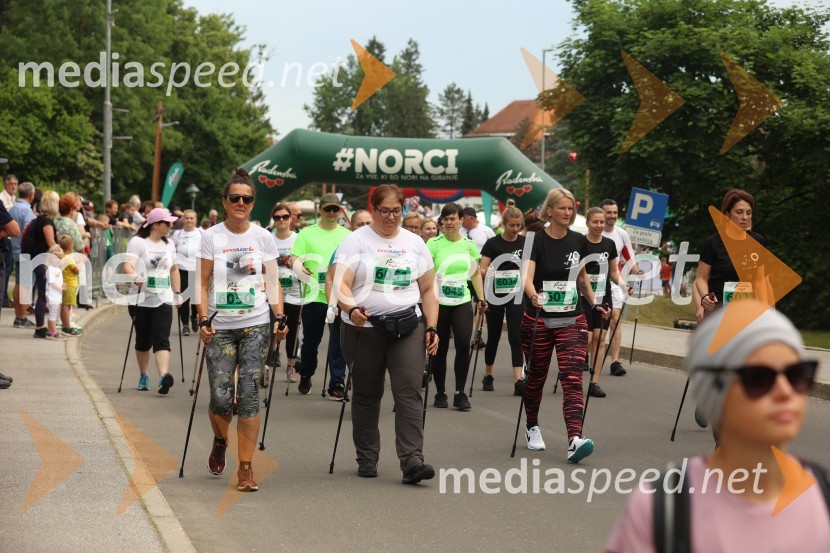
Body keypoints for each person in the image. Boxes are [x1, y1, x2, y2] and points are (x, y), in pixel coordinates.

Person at [605, 301, 829, 552]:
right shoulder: (661, 510)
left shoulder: (823, 496)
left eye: (796, 374)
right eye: (759, 378)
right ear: (715, 392)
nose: (785, 392)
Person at [331, 184, 440, 483]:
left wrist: (432, 326)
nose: (391, 217)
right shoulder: (356, 241)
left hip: (407, 325)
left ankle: (412, 460)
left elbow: (428, 289)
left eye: (397, 211)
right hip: (364, 328)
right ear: (374, 209)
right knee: (367, 393)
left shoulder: (414, 243)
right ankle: (367, 457)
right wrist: (351, 307)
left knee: (409, 391)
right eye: (385, 211)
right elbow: (340, 283)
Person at [197, 168, 288, 492]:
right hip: (220, 326)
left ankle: (246, 469)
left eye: (246, 199)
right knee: (221, 399)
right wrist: (203, 320)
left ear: (252, 204)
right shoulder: (211, 236)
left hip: (256, 324)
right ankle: (221, 439)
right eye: (234, 198)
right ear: (224, 201)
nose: (240, 203)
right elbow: (201, 282)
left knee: (249, 395)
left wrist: (280, 316)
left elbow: (273, 282)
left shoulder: (262, 237)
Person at [521, 188, 609, 461]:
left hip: (572, 317)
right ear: (549, 211)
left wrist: (594, 303)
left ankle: (574, 439)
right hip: (539, 318)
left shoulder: (578, 240)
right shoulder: (535, 240)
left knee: (572, 377)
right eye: (562, 208)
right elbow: (526, 277)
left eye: (571, 209)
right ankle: (532, 426)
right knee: (536, 377)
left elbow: (581, 279)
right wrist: (533, 295)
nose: (568, 213)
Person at [290, 193, 351, 399]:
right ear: (320, 210)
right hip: (314, 295)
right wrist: (298, 267)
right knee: (310, 343)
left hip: (338, 296)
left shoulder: (348, 235)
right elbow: (294, 258)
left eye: (335, 209)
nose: (332, 213)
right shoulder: (307, 233)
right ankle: (306, 374)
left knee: (339, 342)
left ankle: (337, 382)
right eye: (328, 209)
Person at [426, 203, 485, 411]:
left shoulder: (469, 245)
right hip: (439, 302)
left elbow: (475, 273)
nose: (449, 223)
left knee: (462, 343)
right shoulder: (433, 244)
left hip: (461, 300)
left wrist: (481, 298)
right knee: (439, 347)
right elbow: (427, 275)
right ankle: (440, 392)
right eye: (445, 219)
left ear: (461, 220)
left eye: (453, 219)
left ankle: (460, 393)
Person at [122, 208, 182, 394]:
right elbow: (127, 265)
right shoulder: (138, 242)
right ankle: (143, 374)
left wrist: (177, 292)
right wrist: (135, 277)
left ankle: (163, 377)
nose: (170, 226)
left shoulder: (169, 244)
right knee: (143, 340)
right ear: (155, 225)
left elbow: (174, 269)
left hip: (162, 298)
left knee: (161, 338)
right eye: (167, 223)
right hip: (140, 299)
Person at [695, 189, 767, 321]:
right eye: (739, 212)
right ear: (727, 214)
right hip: (717, 311)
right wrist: (705, 296)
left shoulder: (758, 241)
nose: (745, 217)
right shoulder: (712, 243)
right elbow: (701, 278)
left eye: (748, 213)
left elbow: (760, 281)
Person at [479, 201, 525, 394]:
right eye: (512, 225)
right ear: (503, 224)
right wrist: (486, 272)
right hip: (495, 294)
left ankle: (519, 379)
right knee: (494, 335)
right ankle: (488, 374)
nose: (515, 229)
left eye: (518, 225)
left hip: (516, 294)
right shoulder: (493, 243)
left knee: (516, 335)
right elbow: (481, 268)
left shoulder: (525, 243)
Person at [582, 207, 625, 398]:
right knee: (587, 338)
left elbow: (613, 271)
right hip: (584, 297)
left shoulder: (609, 244)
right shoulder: (581, 243)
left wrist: (623, 285)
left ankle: (594, 382)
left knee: (600, 339)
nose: (599, 225)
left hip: (604, 296)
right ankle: (572, 374)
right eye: (595, 222)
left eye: (601, 222)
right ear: (588, 223)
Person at [600, 199, 641, 377]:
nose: (612, 216)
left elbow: (629, 257)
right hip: (594, 281)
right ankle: (586, 355)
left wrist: (638, 271)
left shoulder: (622, 234)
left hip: (615, 280)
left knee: (615, 318)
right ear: (601, 213)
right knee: (594, 320)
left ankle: (615, 362)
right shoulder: (594, 232)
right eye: (608, 212)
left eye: (614, 212)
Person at [269, 202, 303, 383]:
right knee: (270, 330)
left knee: (292, 331)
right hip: (273, 291)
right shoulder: (268, 239)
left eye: (285, 216)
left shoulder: (298, 239)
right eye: (277, 217)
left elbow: (304, 262)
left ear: (291, 219)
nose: (281, 220)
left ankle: (291, 367)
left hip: (294, 292)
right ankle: (266, 365)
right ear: (273, 220)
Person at [23, 191, 58, 339]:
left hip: (34, 258)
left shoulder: (37, 219)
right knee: (43, 294)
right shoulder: (47, 222)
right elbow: (51, 243)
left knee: (42, 294)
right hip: (42, 261)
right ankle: (40, 327)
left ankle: (41, 326)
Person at [10, 181, 37, 327]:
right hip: (25, 251)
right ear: (31, 194)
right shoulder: (27, 211)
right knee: (25, 285)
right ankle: (22, 317)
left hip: (15, 249)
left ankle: (18, 316)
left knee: (19, 283)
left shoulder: (13, 208)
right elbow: (28, 230)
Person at [171, 209, 202, 335]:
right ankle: (185, 325)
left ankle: (194, 317)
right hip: (181, 269)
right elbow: (172, 249)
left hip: (196, 269)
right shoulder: (177, 234)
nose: (189, 220)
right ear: (183, 219)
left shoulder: (201, 233)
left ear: (195, 220)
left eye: (191, 218)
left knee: (195, 297)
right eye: (187, 218)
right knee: (183, 298)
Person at [58, 235, 82, 336]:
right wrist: (79, 264)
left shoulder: (61, 257)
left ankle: (64, 325)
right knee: (67, 307)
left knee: (63, 306)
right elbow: (76, 271)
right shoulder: (69, 259)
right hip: (70, 284)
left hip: (63, 283)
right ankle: (67, 327)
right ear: (71, 247)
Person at [1, 175, 18, 307]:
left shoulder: (13, 199)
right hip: (5, 238)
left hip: (9, 237)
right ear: (5, 185)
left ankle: (5, 295)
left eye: (15, 184)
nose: (13, 186)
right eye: (11, 184)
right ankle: (4, 297)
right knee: (5, 269)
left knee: (8, 267)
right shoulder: (2, 198)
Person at [44, 244, 66, 341]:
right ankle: (53, 332)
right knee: (52, 315)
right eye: (55, 257)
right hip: (52, 295)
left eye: (60, 258)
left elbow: (58, 281)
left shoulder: (57, 269)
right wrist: (60, 288)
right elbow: (52, 283)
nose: (58, 260)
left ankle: (51, 331)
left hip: (57, 296)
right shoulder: (50, 269)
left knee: (54, 315)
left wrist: (62, 285)